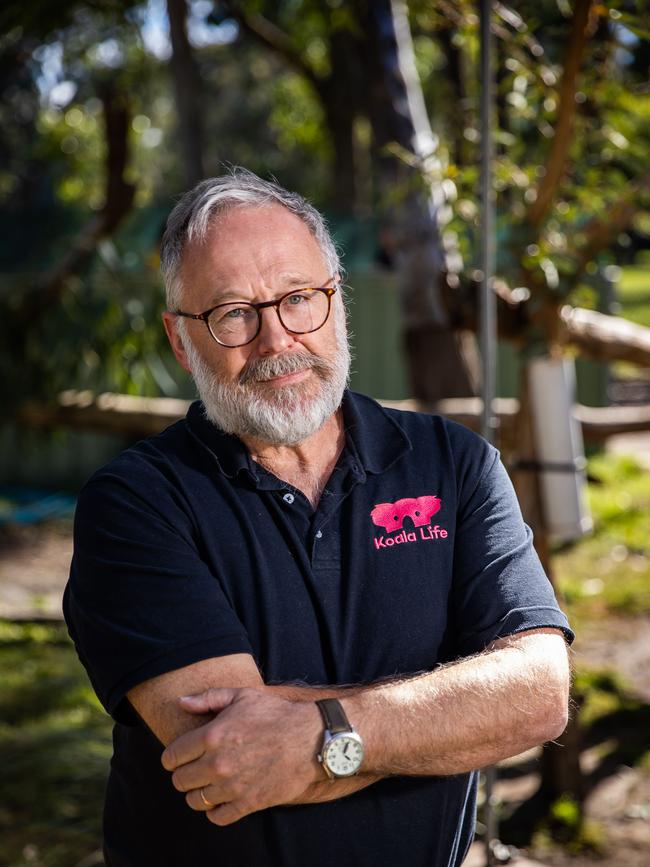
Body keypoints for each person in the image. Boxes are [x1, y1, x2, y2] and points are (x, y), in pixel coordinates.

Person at [64, 167, 573, 867]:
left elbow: (538, 693)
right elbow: (233, 757)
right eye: (233, 312)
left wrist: (319, 733)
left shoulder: (455, 465)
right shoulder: (136, 503)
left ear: (337, 303)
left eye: (299, 298)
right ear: (182, 341)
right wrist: (452, 709)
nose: (276, 340)